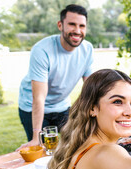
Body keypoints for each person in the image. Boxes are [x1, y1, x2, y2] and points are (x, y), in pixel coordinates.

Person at [17, 4, 93, 149]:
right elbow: (38, 97)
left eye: (82, 26)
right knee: (44, 150)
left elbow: (92, 89)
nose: (77, 31)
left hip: (62, 106)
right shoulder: (42, 50)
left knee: (73, 146)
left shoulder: (87, 49)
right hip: (32, 107)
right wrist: (35, 137)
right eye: (72, 24)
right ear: (60, 25)